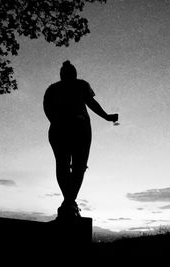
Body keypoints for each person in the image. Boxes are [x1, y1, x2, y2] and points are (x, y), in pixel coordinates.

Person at [43, 60, 118, 219]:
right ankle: (70, 202)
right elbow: (48, 108)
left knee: (74, 165)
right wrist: (106, 117)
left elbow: (90, 103)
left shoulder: (72, 86)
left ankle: (69, 202)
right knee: (69, 165)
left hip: (74, 128)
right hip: (70, 128)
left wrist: (106, 116)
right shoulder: (58, 88)